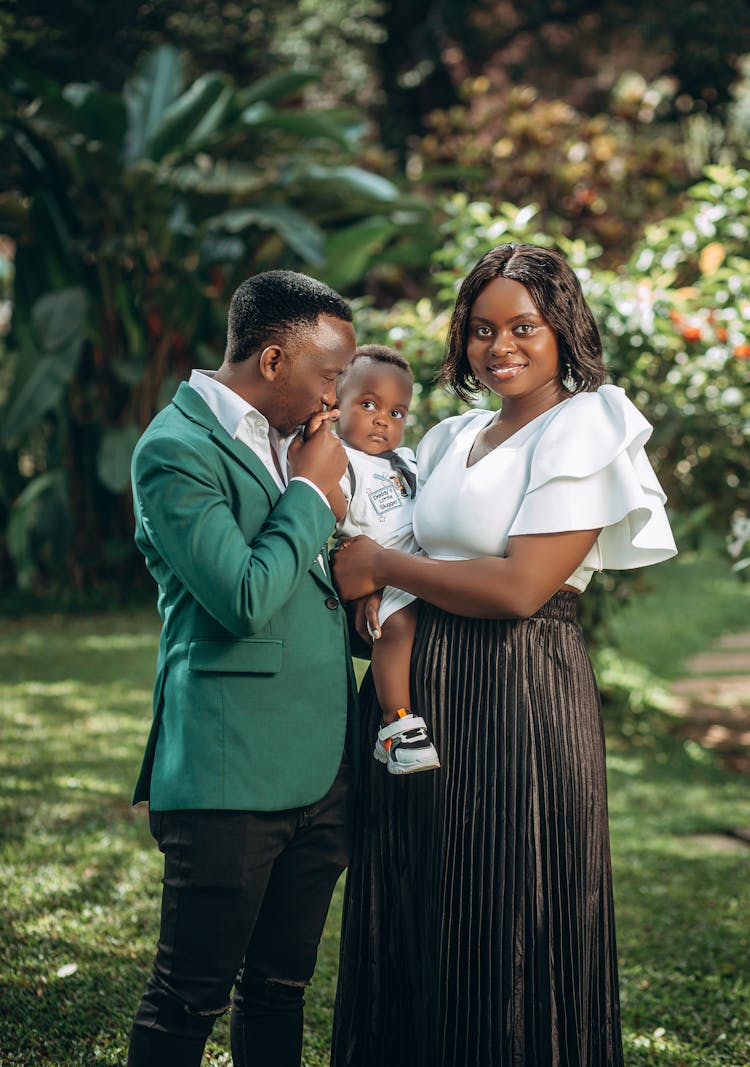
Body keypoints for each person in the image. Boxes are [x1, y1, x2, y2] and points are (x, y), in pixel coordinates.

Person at [330, 243, 677, 1067]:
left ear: (563, 327)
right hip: (421, 695)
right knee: (416, 900)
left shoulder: (588, 422)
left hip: (521, 688)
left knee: (508, 906)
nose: (501, 347)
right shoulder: (450, 435)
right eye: (483, 329)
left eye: (524, 326)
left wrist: (383, 568)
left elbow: (523, 585)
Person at [127, 270, 358, 1067]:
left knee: (279, 989)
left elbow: (308, 591)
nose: (338, 394)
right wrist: (313, 496)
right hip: (230, 773)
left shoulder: (287, 439)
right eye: (329, 374)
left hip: (321, 770)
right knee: (188, 995)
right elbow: (244, 597)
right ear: (271, 360)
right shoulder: (173, 448)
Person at [332, 344, 440, 774]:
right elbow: (328, 510)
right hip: (385, 569)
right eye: (368, 404)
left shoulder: (406, 460)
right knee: (394, 629)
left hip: (423, 562)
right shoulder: (341, 460)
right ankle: (397, 725)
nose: (382, 419)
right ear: (335, 404)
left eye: (396, 413)